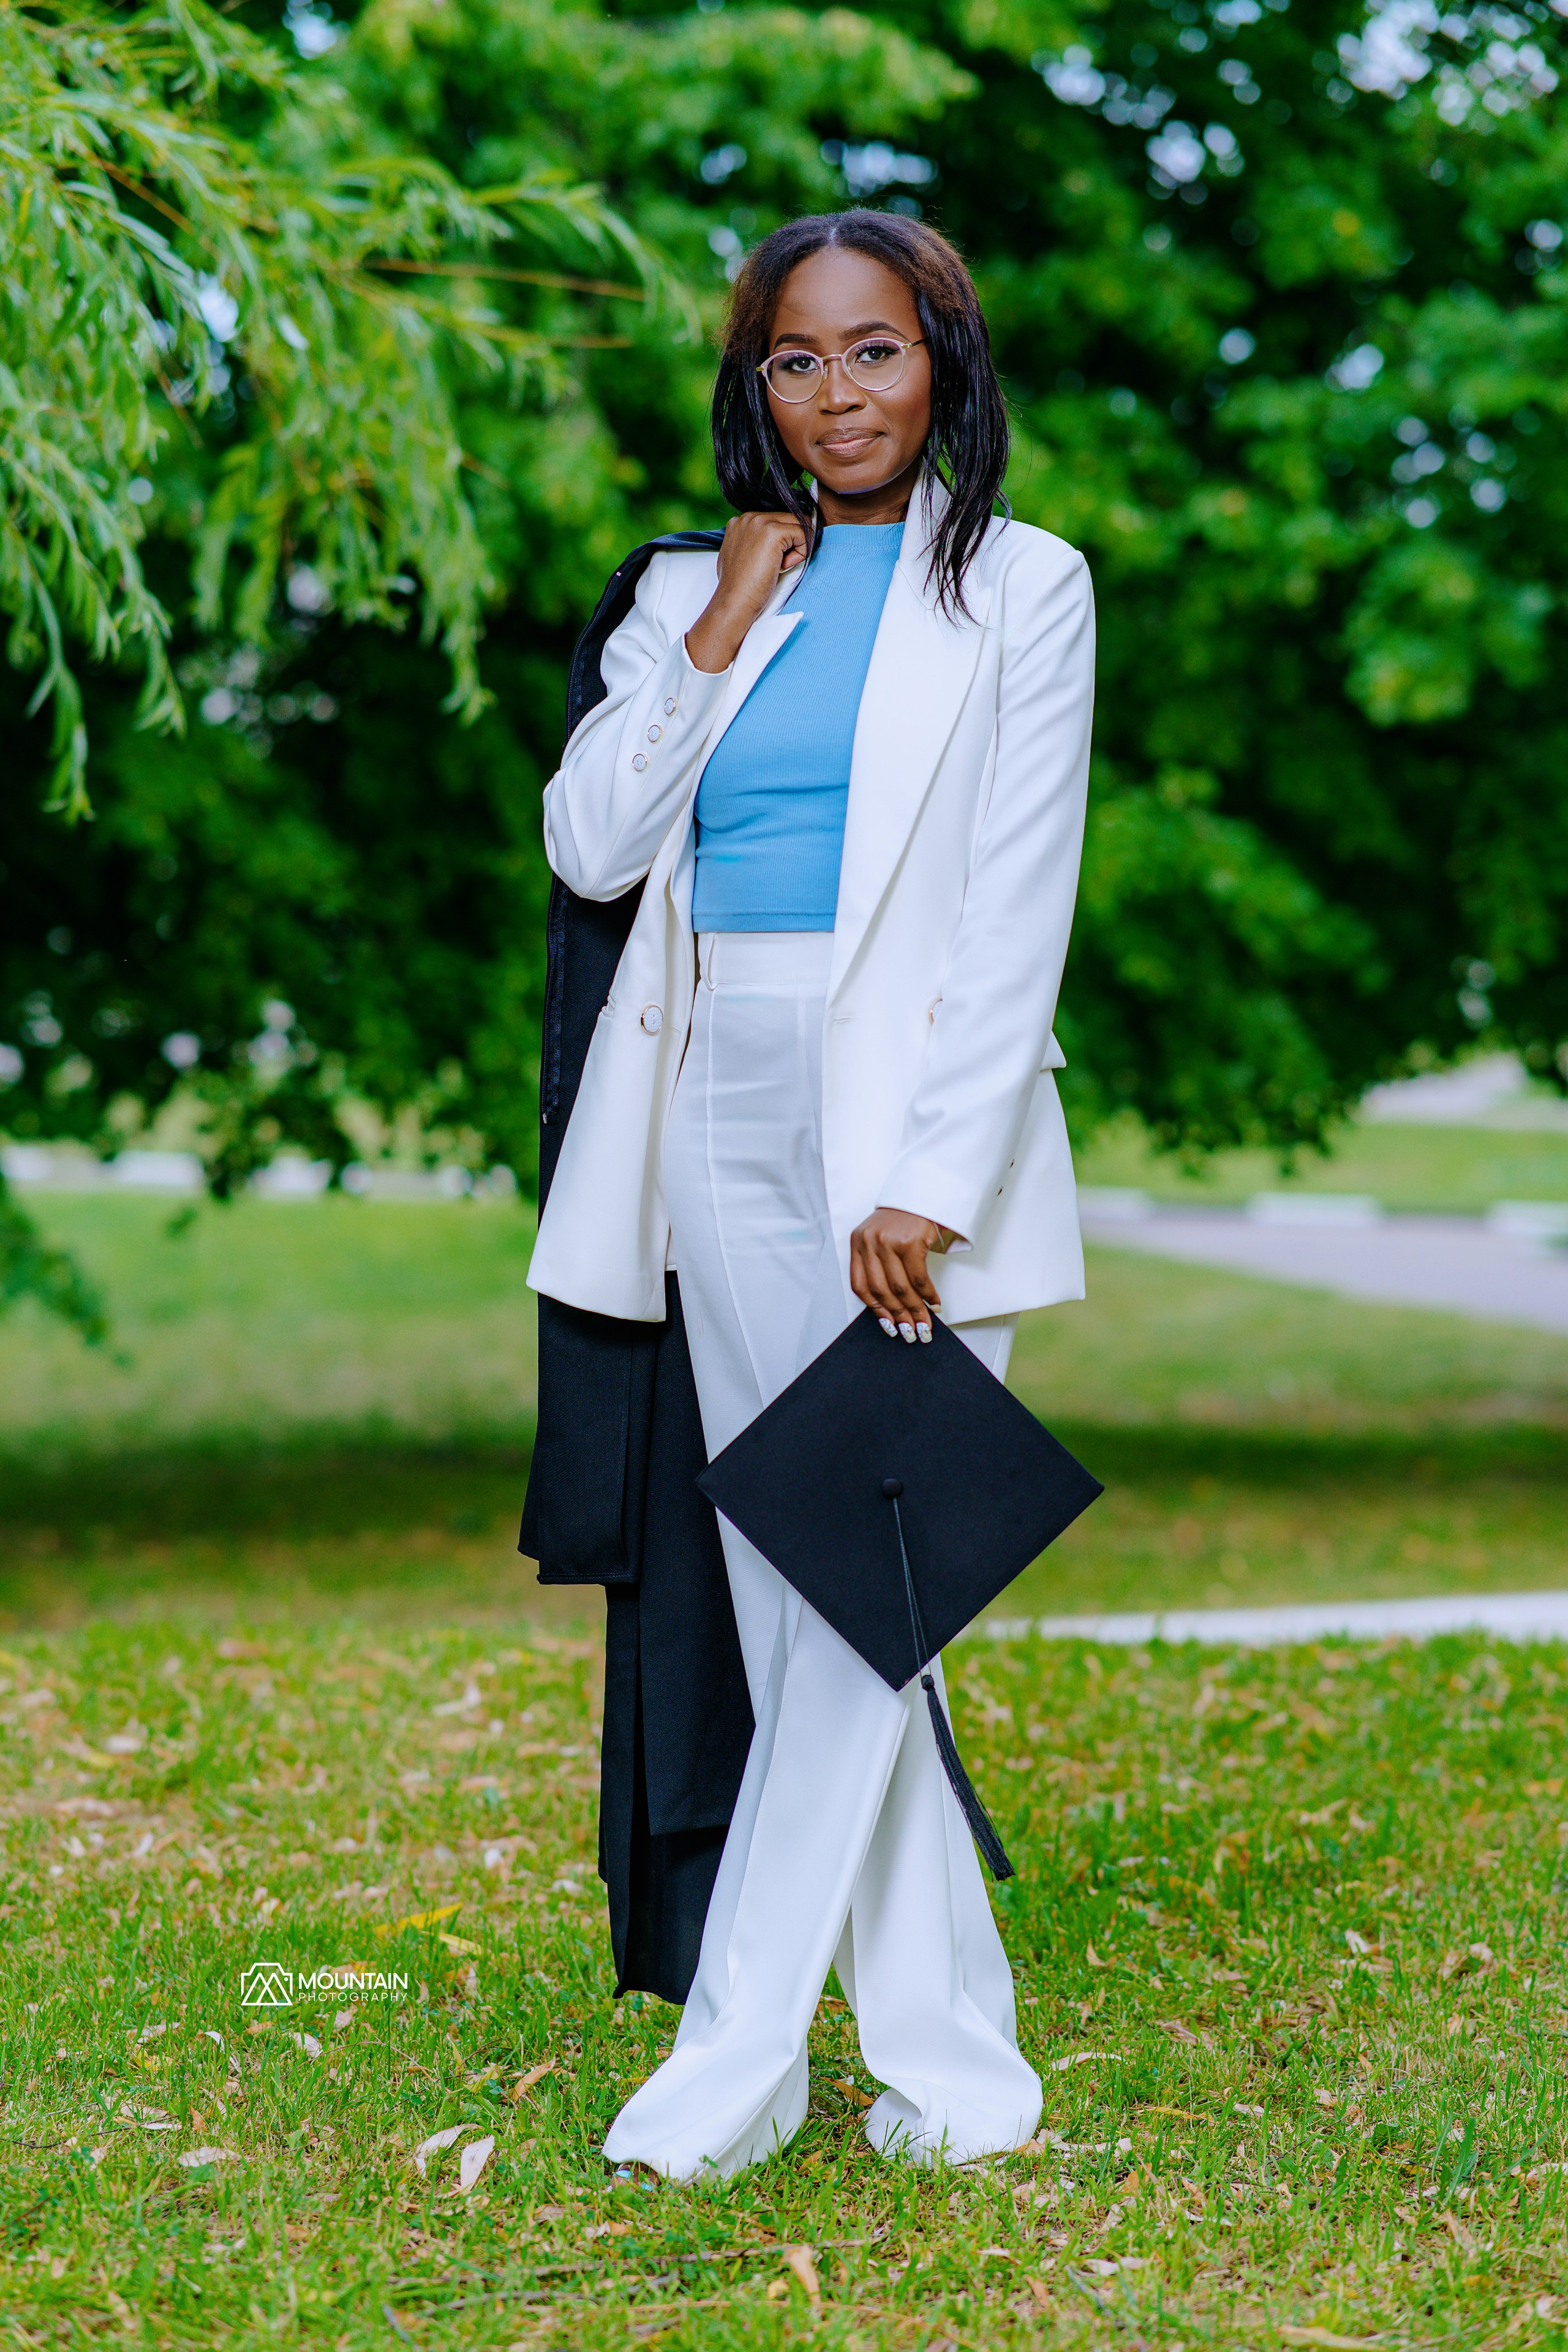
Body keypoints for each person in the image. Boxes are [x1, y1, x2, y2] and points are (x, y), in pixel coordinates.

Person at [528, 208, 1096, 2178]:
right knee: (809, 1608)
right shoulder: (700, 581)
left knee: (869, 1598)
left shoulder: (1023, 587)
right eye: (795, 358)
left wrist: (929, 1182)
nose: (835, 393)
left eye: (873, 351)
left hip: (912, 1134)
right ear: (755, 383)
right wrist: (706, 637)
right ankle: (954, 2076)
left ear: (942, 360)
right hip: (712, 1110)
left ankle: (733, 2066)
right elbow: (594, 843)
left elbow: (1020, 907)